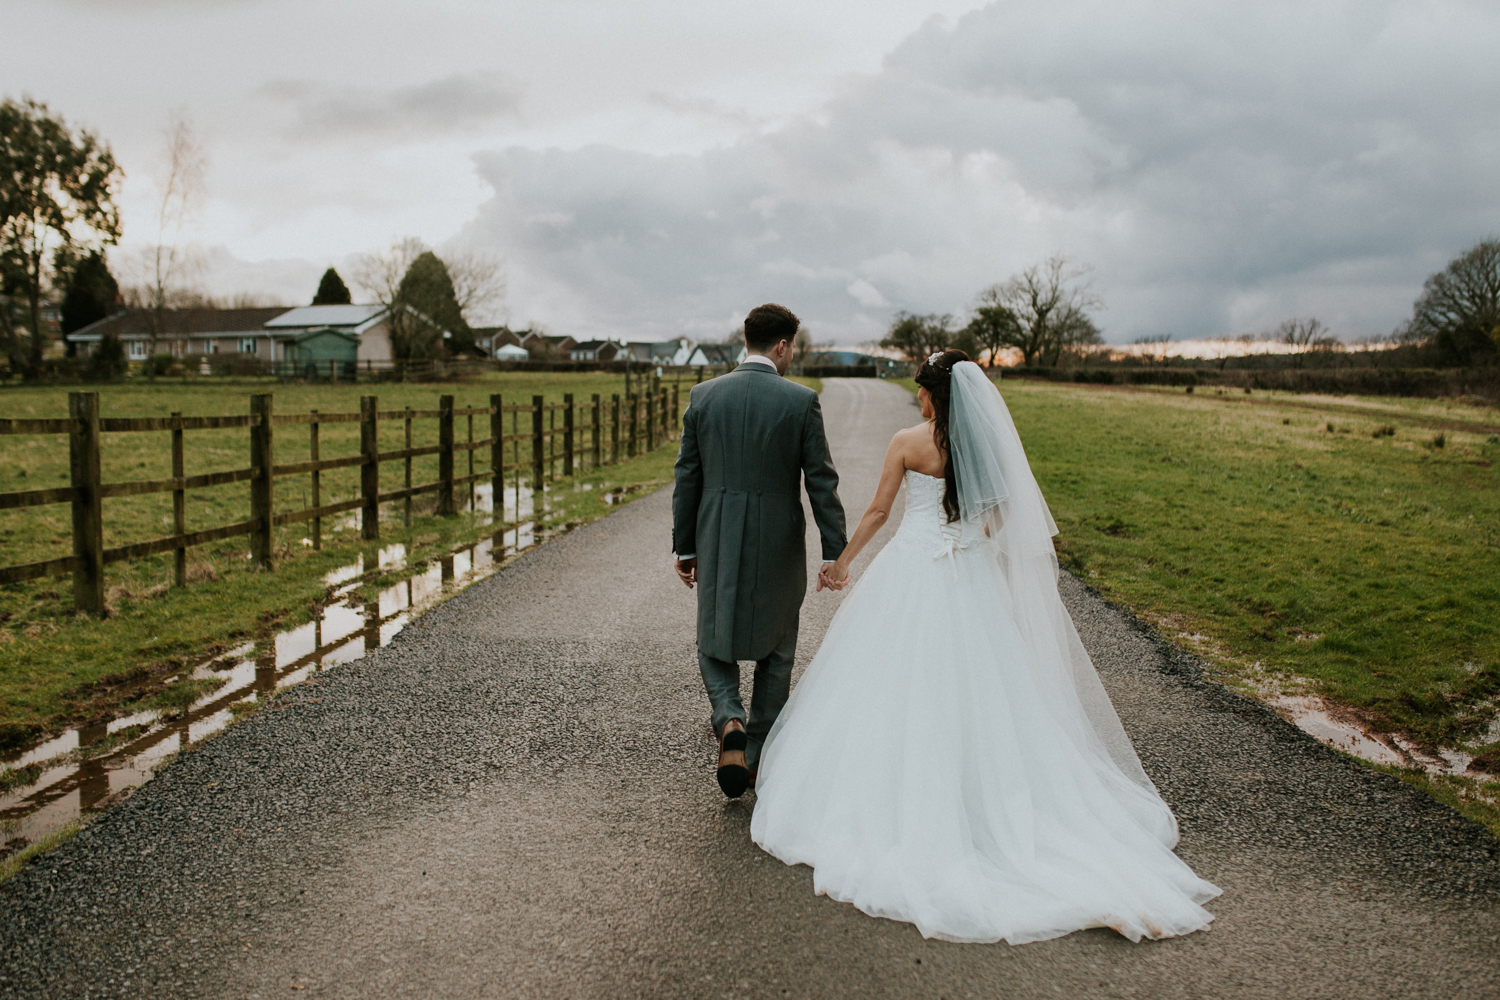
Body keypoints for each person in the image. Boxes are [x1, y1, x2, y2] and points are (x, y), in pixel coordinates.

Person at [750, 350, 1222, 944]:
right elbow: (1000, 518)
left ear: (930, 395)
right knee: (984, 691)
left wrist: (841, 564)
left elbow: (876, 511)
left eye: (921, 390)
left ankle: (911, 806)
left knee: (892, 685)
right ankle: (991, 806)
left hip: (912, 570)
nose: (918, 398)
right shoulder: (981, 450)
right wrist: (968, 541)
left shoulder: (905, 441)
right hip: (965, 571)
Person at [672, 304, 847, 798]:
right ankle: (757, 751)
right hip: (778, 536)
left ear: (747, 340)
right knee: (778, 644)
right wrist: (835, 550)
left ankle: (729, 718)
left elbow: (688, 475)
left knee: (713, 631)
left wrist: (685, 545)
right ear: (784, 345)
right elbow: (821, 481)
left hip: (716, 533)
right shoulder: (800, 401)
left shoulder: (703, 396)